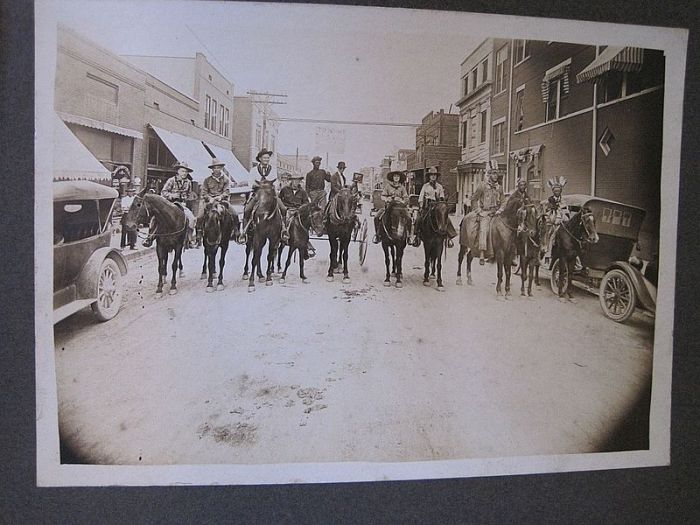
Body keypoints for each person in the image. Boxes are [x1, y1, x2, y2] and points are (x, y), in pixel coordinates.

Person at [143, 161, 197, 248]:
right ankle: (149, 238)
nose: (184, 173)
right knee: (155, 219)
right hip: (168, 204)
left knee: (192, 219)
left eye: (186, 172)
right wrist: (172, 195)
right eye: (183, 171)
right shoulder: (171, 180)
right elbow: (163, 192)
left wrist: (185, 197)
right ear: (178, 171)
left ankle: (189, 239)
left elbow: (188, 194)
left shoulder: (188, 182)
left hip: (180, 204)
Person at [240, 148, 288, 243]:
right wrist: (259, 185)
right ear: (260, 159)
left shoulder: (273, 170)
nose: (267, 159)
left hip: (270, 193)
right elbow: (251, 182)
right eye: (265, 158)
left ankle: (283, 229)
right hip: (258, 193)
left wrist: (274, 186)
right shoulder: (254, 170)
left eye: (268, 158)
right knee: (247, 209)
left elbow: (276, 181)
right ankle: (244, 232)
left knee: (283, 208)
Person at [413, 167, 457, 247]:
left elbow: (442, 197)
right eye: (431, 175)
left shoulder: (439, 186)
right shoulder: (425, 186)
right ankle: (417, 236)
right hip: (428, 206)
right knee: (419, 218)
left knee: (446, 218)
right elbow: (421, 197)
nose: (433, 177)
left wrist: (441, 202)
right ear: (429, 176)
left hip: (437, 206)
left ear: (436, 176)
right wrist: (421, 205)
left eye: (434, 175)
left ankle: (448, 237)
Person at [471, 165, 506, 264]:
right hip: (485, 213)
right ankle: (482, 253)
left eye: (497, 173)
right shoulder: (482, 186)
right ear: (489, 174)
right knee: (484, 229)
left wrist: (501, 209)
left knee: (505, 230)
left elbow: (504, 201)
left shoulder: (499, 187)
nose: (496, 175)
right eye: (493, 173)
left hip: (496, 213)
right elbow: (474, 199)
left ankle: (506, 253)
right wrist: (478, 211)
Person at [279, 172, 316, 259]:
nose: (296, 182)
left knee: (304, 224)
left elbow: (306, 203)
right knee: (285, 221)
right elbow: (279, 200)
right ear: (291, 180)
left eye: (298, 180)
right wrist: (284, 208)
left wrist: (301, 209)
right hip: (287, 210)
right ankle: (283, 235)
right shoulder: (284, 189)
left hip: (298, 211)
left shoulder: (303, 192)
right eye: (294, 180)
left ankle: (306, 243)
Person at [373, 171, 408, 244]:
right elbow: (383, 196)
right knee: (377, 217)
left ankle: (408, 236)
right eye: (395, 176)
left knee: (409, 218)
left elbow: (406, 198)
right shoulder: (388, 186)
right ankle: (378, 235)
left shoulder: (402, 187)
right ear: (392, 178)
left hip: (400, 208)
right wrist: (387, 199)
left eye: (398, 177)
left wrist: (401, 200)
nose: (396, 178)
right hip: (389, 207)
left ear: (399, 178)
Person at [542, 176, 568, 263]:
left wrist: (563, 216)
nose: (557, 192)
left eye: (559, 191)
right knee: (550, 234)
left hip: (561, 220)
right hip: (551, 220)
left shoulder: (563, 200)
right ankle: (547, 254)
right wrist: (552, 216)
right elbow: (547, 211)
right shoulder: (549, 200)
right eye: (555, 191)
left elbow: (565, 209)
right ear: (553, 191)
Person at [305, 156, 331, 233]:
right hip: (313, 193)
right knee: (313, 210)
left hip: (321, 192)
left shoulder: (322, 172)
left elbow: (329, 179)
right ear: (313, 163)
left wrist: (329, 175)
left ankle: (323, 225)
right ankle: (313, 225)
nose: (318, 164)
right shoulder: (309, 174)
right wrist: (309, 195)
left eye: (319, 163)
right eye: (316, 162)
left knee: (324, 209)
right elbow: (307, 186)